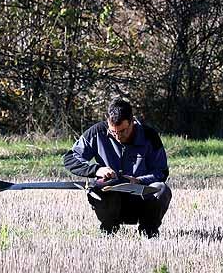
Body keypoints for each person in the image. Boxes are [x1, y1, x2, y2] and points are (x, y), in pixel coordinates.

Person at [63, 98, 172, 237]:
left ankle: (149, 232)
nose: (118, 136)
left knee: (161, 189)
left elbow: (161, 171)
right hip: (109, 197)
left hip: (140, 198)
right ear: (107, 122)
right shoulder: (96, 132)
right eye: (113, 132)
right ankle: (108, 230)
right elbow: (70, 158)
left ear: (132, 121)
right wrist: (97, 170)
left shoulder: (149, 135)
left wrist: (139, 180)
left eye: (123, 131)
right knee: (96, 189)